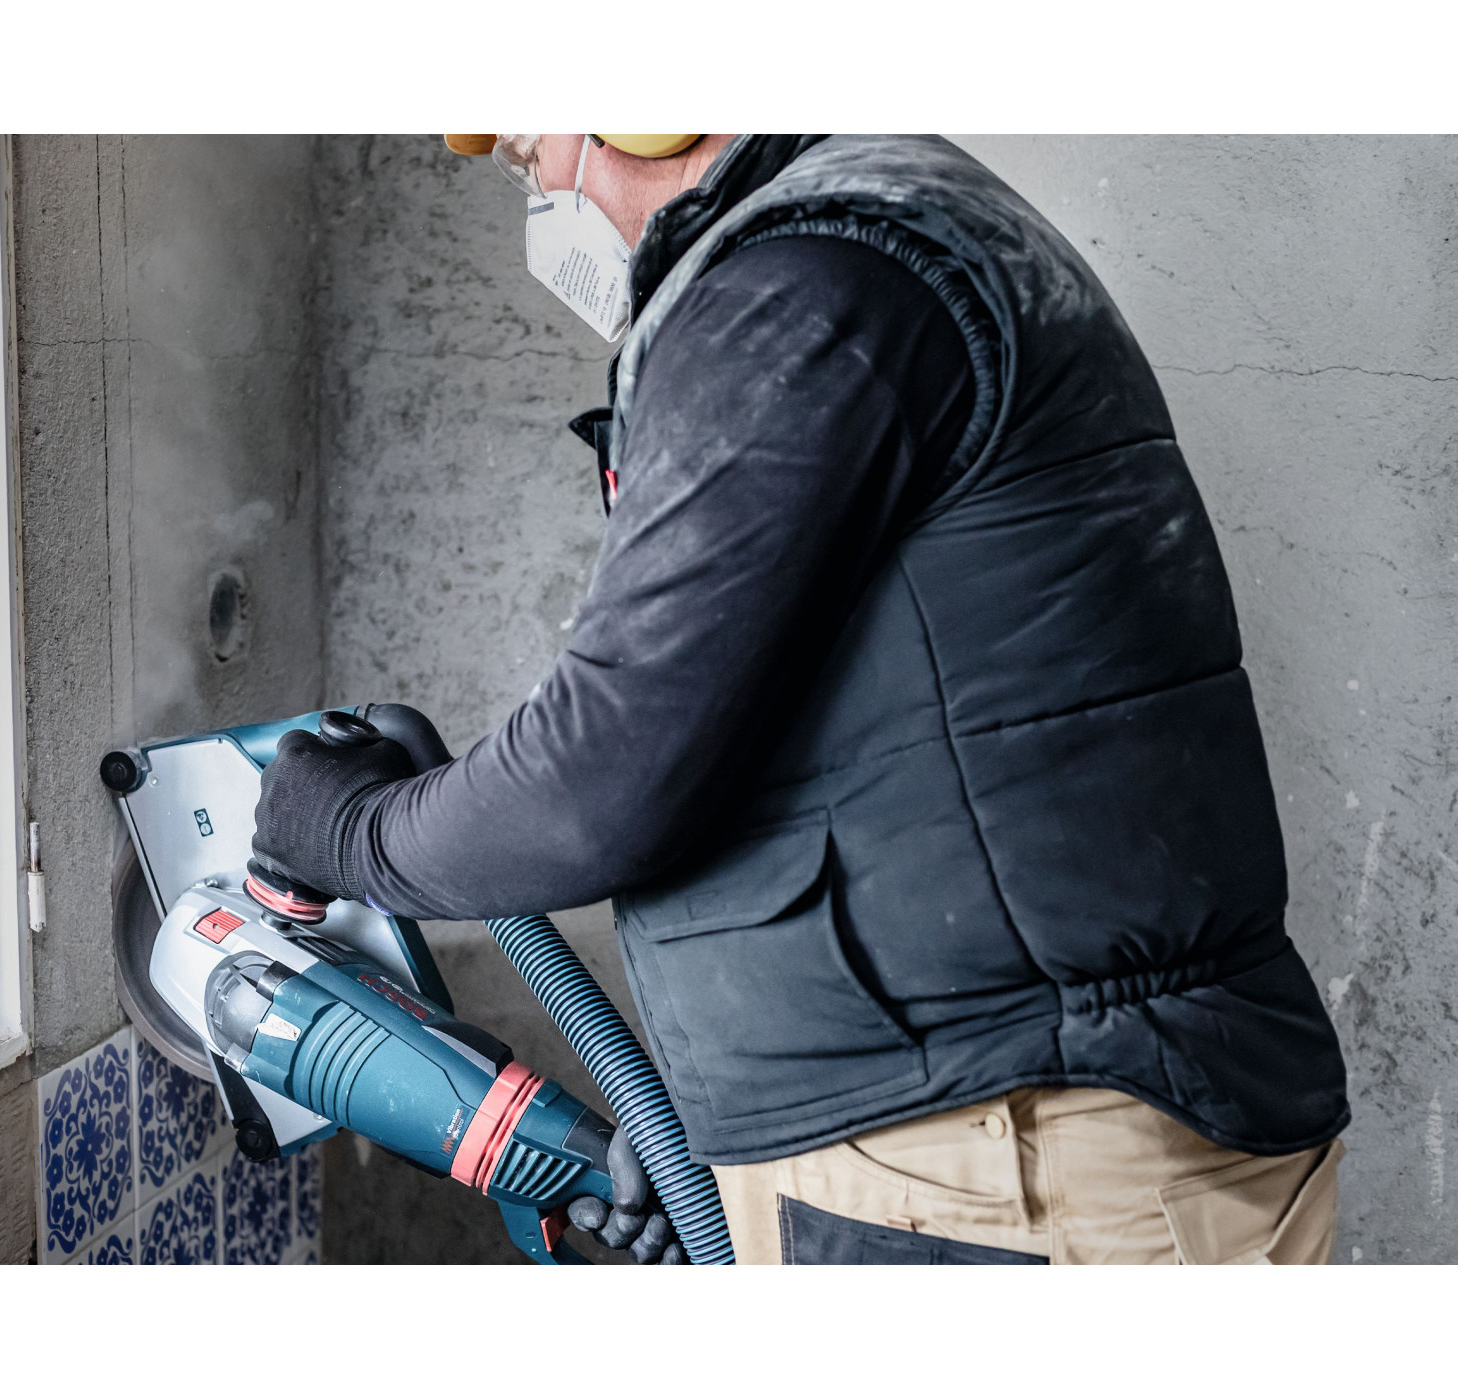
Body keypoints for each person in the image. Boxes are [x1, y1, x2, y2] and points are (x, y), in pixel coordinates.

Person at [253, 134, 1350, 1264]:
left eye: (537, 155)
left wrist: (345, 829)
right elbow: (855, 757)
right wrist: (736, 1124)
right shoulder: (872, 239)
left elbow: (600, 783)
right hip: (971, 1142)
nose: (544, 195)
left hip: (1001, 1157)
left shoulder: (804, 289)